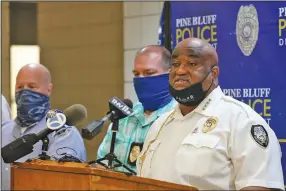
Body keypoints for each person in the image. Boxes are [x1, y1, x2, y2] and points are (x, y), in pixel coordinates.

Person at [137, 38, 284, 190]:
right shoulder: (160, 125)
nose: (180, 71)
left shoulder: (242, 121)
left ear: (213, 73)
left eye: (192, 64)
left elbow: (260, 186)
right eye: (175, 64)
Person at [1, 63, 86, 190]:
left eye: (32, 86)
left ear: (49, 89)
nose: (25, 92)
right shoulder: (3, 130)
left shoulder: (63, 134)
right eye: (20, 87)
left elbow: (62, 181)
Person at [97, 45, 177, 174]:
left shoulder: (179, 117)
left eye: (149, 73)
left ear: (170, 74)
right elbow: (101, 164)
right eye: (136, 74)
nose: (141, 79)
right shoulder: (123, 118)